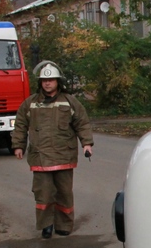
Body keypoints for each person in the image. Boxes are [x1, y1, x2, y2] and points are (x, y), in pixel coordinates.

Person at [11, 61, 94, 239]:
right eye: (44, 80)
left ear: (58, 81)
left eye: (51, 80)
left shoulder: (70, 102)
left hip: (64, 154)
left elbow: (82, 123)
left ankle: (64, 225)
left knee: (64, 192)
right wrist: (18, 145)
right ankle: (46, 225)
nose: (47, 83)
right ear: (40, 82)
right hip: (40, 157)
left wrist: (86, 143)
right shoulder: (30, 104)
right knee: (44, 194)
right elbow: (20, 125)